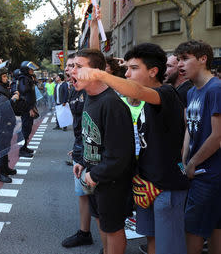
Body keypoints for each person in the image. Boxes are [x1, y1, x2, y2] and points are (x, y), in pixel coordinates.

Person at [77, 43, 190, 254]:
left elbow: (135, 90)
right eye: (126, 68)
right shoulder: (144, 101)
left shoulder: (166, 93)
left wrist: (99, 74)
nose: (127, 73)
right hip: (146, 185)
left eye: (134, 68)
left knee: (170, 247)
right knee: (152, 242)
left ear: (153, 71)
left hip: (166, 187)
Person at [71, 49, 135, 254]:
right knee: (100, 220)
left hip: (111, 182)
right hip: (93, 176)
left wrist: (95, 174)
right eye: (72, 66)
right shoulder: (89, 97)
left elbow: (120, 155)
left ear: (97, 72)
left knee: (113, 228)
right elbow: (90, 134)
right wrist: (82, 161)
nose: (72, 71)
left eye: (79, 67)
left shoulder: (112, 104)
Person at [174, 40, 221, 254]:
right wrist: (184, 159)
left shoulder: (216, 89)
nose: (180, 64)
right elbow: (189, 129)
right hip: (197, 171)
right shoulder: (192, 92)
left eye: (185, 58)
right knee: (214, 226)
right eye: (179, 59)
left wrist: (192, 163)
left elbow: (218, 136)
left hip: (209, 174)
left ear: (203, 59)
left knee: (193, 229)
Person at [61, 55, 95, 249]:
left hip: (93, 152)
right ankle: (84, 232)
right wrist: (76, 147)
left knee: (96, 197)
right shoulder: (73, 90)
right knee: (82, 193)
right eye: (68, 66)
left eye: (75, 66)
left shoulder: (91, 90)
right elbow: (78, 125)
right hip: (79, 148)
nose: (70, 70)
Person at [0, 61, 19, 183]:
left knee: (6, 146)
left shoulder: (1, 88)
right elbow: (2, 106)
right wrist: (13, 100)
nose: (7, 78)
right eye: (4, 76)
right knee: (2, 147)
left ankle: (5, 168)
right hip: (2, 122)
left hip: (7, 121)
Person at [18, 61, 39, 158]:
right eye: (30, 69)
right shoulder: (23, 79)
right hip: (26, 108)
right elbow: (25, 94)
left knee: (29, 127)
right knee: (26, 128)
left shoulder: (28, 78)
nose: (32, 70)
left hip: (30, 106)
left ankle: (25, 146)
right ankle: (22, 149)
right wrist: (30, 108)